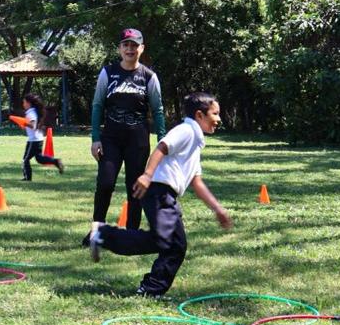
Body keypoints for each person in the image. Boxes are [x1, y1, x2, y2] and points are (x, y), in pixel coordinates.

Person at [88, 91, 232, 298]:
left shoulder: (195, 141)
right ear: (200, 115)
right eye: (215, 114)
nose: (219, 119)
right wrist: (147, 175)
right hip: (158, 190)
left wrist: (217, 209)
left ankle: (103, 236)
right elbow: (162, 146)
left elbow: (196, 181)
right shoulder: (186, 131)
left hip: (163, 193)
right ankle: (149, 288)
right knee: (174, 245)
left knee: (163, 241)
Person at [88, 28, 166, 235]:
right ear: (120, 48)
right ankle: (97, 230)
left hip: (137, 138)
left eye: (134, 45)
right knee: (105, 183)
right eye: (126, 45)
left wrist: (163, 142)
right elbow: (97, 105)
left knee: (135, 187)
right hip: (111, 137)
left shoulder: (149, 77)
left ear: (141, 48)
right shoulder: (108, 72)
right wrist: (96, 138)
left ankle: (132, 233)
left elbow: (158, 110)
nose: (129, 49)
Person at [20, 92, 63, 181]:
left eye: (24, 102)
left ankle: (27, 178)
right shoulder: (33, 112)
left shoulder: (30, 113)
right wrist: (24, 125)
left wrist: (24, 123)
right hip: (38, 138)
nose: (23, 104)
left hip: (34, 140)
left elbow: (33, 126)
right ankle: (55, 161)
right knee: (39, 158)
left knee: (25, 160)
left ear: (29, 103)